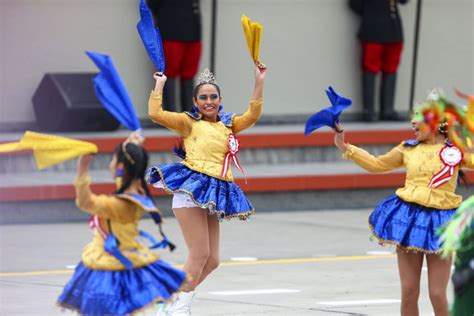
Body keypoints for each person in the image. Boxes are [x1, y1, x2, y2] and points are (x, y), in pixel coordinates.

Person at [146, 64, 266, 315]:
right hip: (192, 191)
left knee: (212, 260)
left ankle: (168, 300)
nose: (209, 101)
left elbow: (252, 116)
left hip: (213, 194)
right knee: (199, 254)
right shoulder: (189, 122)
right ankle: (179, 307)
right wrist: (160, 83)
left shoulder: (228, 124)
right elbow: (156, 113)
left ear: (220, 100)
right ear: (195, 101)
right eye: (203, 97)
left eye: (213, 97)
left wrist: (258, 81)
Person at [333, 101, 473, 315]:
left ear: (435, 122)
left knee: (437, 293)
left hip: (441, 223)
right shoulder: (408, 148)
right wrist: (345, 147)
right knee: (409, 291)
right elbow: (377, 164)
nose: (412, 122)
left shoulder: (455, 152)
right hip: (408, 221)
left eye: (418, 117)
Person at [57, 134, 187, 315]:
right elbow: (124, 179)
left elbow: (85, 202)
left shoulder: (118, 205)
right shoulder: (137, 192)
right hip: (124, 259)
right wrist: (130, 146)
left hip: (112, 267)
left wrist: (82, 168)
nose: (110, 164)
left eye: (113, 160)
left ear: (120, 167)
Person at [348, 0, 409, 121]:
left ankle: (387, 109)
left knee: (391, 68)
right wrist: (371, 13)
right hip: (372, 28)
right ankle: (369, 110)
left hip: (393, 29)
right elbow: (354, 4)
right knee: (370, 67)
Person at [147, 0, 202, 113]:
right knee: (168, 74)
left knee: (189, 74)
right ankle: (170, 116)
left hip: (192, 30)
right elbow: (152, 4)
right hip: (170, 28)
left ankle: (189, 115)